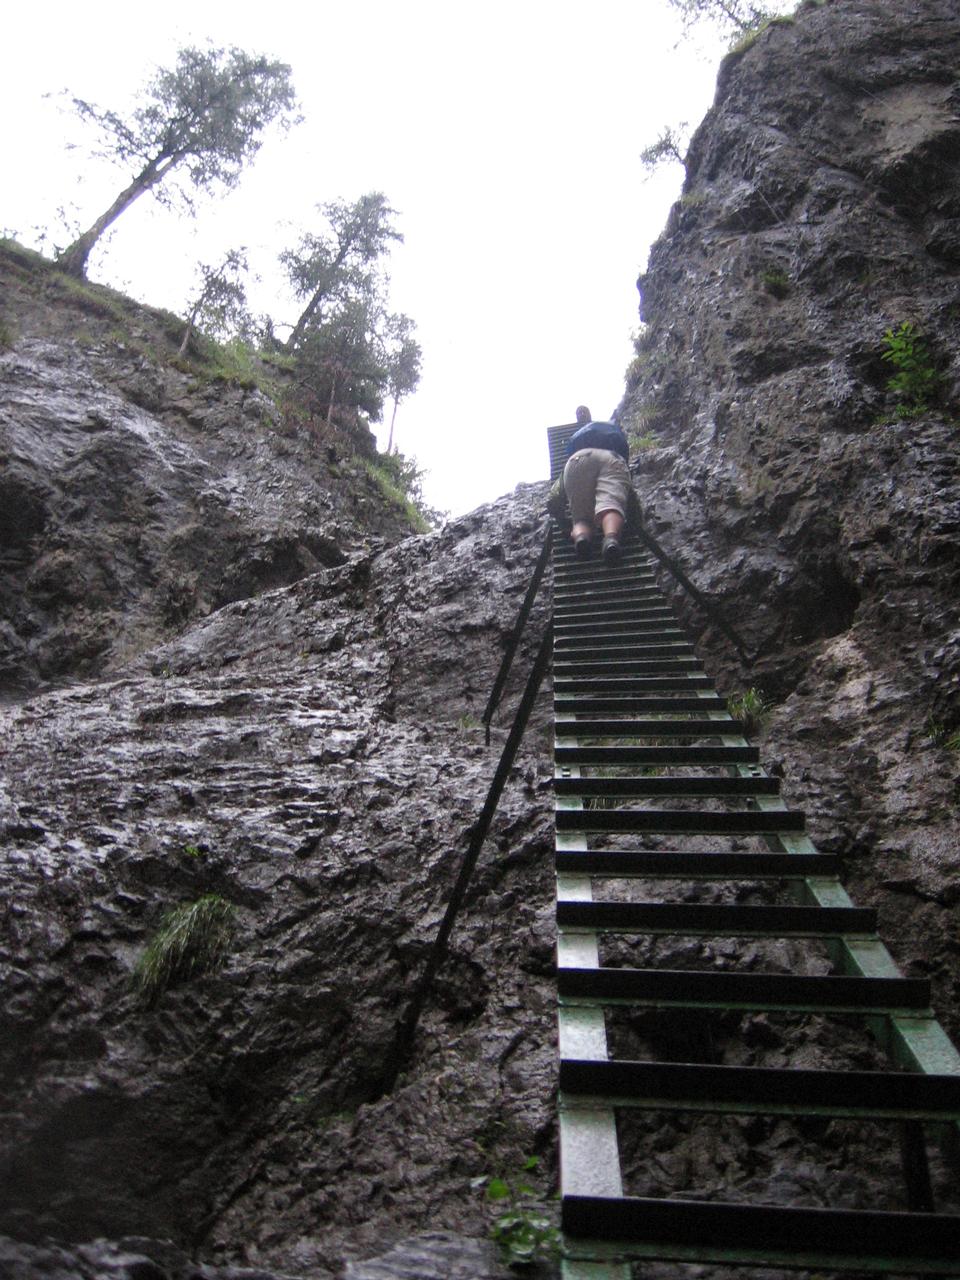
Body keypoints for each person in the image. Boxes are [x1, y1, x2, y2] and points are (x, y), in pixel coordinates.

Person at [561, 406, 631, 563]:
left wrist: (565, 524)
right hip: (611, 457)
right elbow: (628, 495)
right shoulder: (610, 438)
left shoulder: (577, 444)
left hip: (576, 460)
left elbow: (554, 498)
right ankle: (611, 540)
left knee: (581, 519)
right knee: (611, 504)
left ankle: (582, 538)